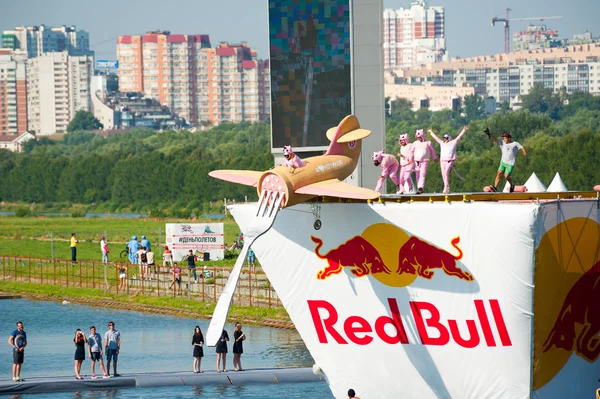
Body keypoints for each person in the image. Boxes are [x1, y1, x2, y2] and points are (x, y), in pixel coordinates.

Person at [485, 128, 527, 192]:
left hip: (510, 163)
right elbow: (495, 139)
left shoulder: (515, 144)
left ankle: (512, 185)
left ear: (509, 138)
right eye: (504, 138)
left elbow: (522, 147)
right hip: (503, 162)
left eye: (505, 138)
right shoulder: (502, 143)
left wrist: (524, 152)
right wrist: (488, 134)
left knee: (506, 176)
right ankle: (495, 187)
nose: (504, 139)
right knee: (499, 173)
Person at [429, 126, 468, 194]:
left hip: (449, 160)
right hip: (442, 161)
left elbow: (459, 137)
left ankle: (446, 187)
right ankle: (446, 187)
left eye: (446, 138)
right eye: (444, 138)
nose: (445, 139)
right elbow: (436, 138)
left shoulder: (453, 142)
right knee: (443, 174)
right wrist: (431, 132)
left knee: (446, 172)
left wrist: (464, 130)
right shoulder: (442, 143)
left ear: (449, 138)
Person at [412, 129, 438, 194]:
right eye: (417, 137)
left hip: (425, 161)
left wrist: (434, 158)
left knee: (422, 174)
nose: (418, 138)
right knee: (417, 175)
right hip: (417, 161)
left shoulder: (428, 143)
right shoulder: (415, 143)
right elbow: (411, 152)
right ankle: (419, 188)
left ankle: (421, 187)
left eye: (419, 137)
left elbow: (432, 150)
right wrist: (410, 159)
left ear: (422, 136)